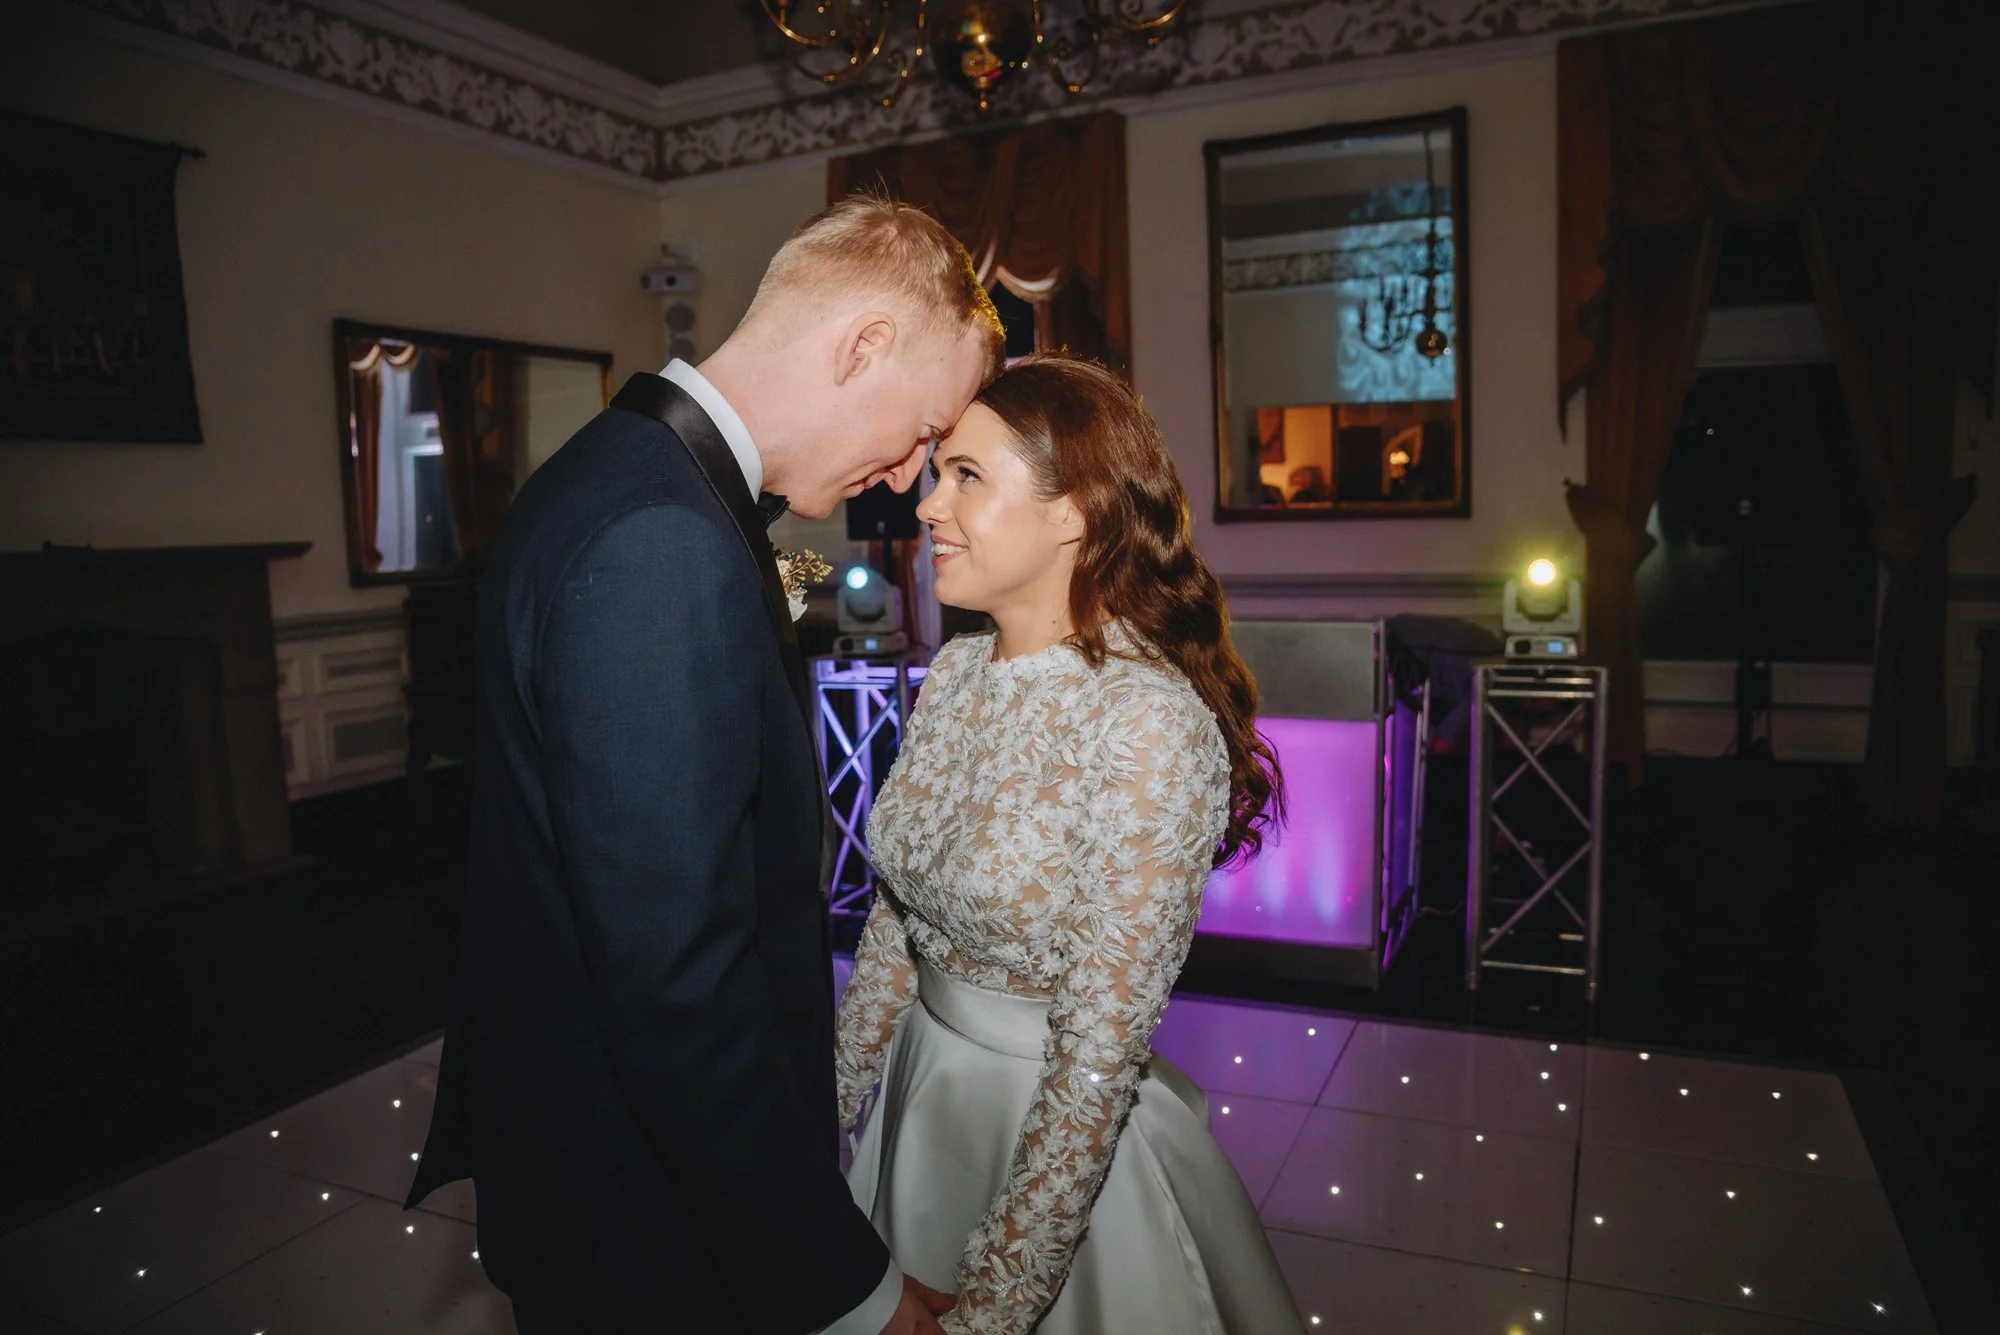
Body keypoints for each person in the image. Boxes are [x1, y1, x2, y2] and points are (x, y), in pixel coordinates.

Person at [405, 194, 1004, 1333]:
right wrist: (853, 1287)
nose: (907, 473)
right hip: (643, 1208)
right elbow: (674, 978)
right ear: (862, 345)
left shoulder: (617, 472)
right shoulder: (659, 539)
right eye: (924, 426)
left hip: (598, 1153)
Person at [836, 355, 1307, 1334]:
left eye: (966, 476)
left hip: (1051, 1136)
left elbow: (1099, 1042)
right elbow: (898, 921)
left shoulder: (1147, 723)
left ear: (1075, 513)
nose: (927, 506)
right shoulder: (956, 673)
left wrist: (996, 1305)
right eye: (937, 472)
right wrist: (823, 1116)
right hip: (922, 1104)